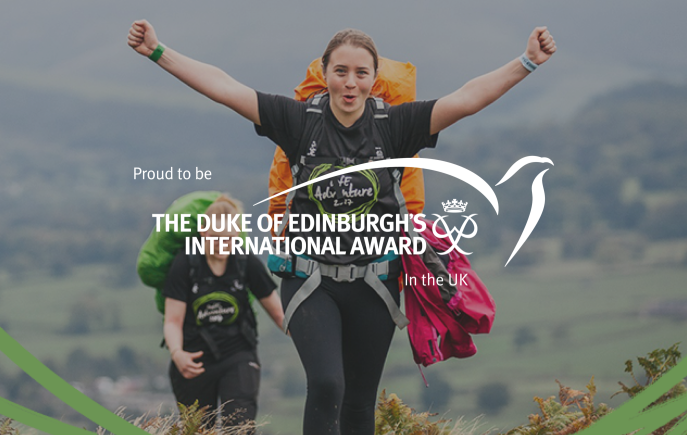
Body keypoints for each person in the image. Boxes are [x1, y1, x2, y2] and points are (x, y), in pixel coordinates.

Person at [128, 21, 556, 435]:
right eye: (341, 71)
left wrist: (527, 62)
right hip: (310, 280)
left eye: (361, 73)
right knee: (328, 384)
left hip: (376, 281)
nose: (350, 82)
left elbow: (466, 99)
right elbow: (225, 88)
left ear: (373, 78)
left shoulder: (396, 125)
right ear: (326, 73)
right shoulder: (298, 122)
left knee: (359, 400)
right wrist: (159, 53)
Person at [162, 195, 283, 428]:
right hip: (193, 360)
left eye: (227, 238)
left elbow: (279, 314)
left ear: (237, 234)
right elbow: (172, 321)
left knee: (239, 425)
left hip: (238, 353)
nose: (221, 244)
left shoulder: (245, 262)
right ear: (203, 233)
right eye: (216, 238)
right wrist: (177, 354)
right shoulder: (185, 264)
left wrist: (313, 342)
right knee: (197, 430)